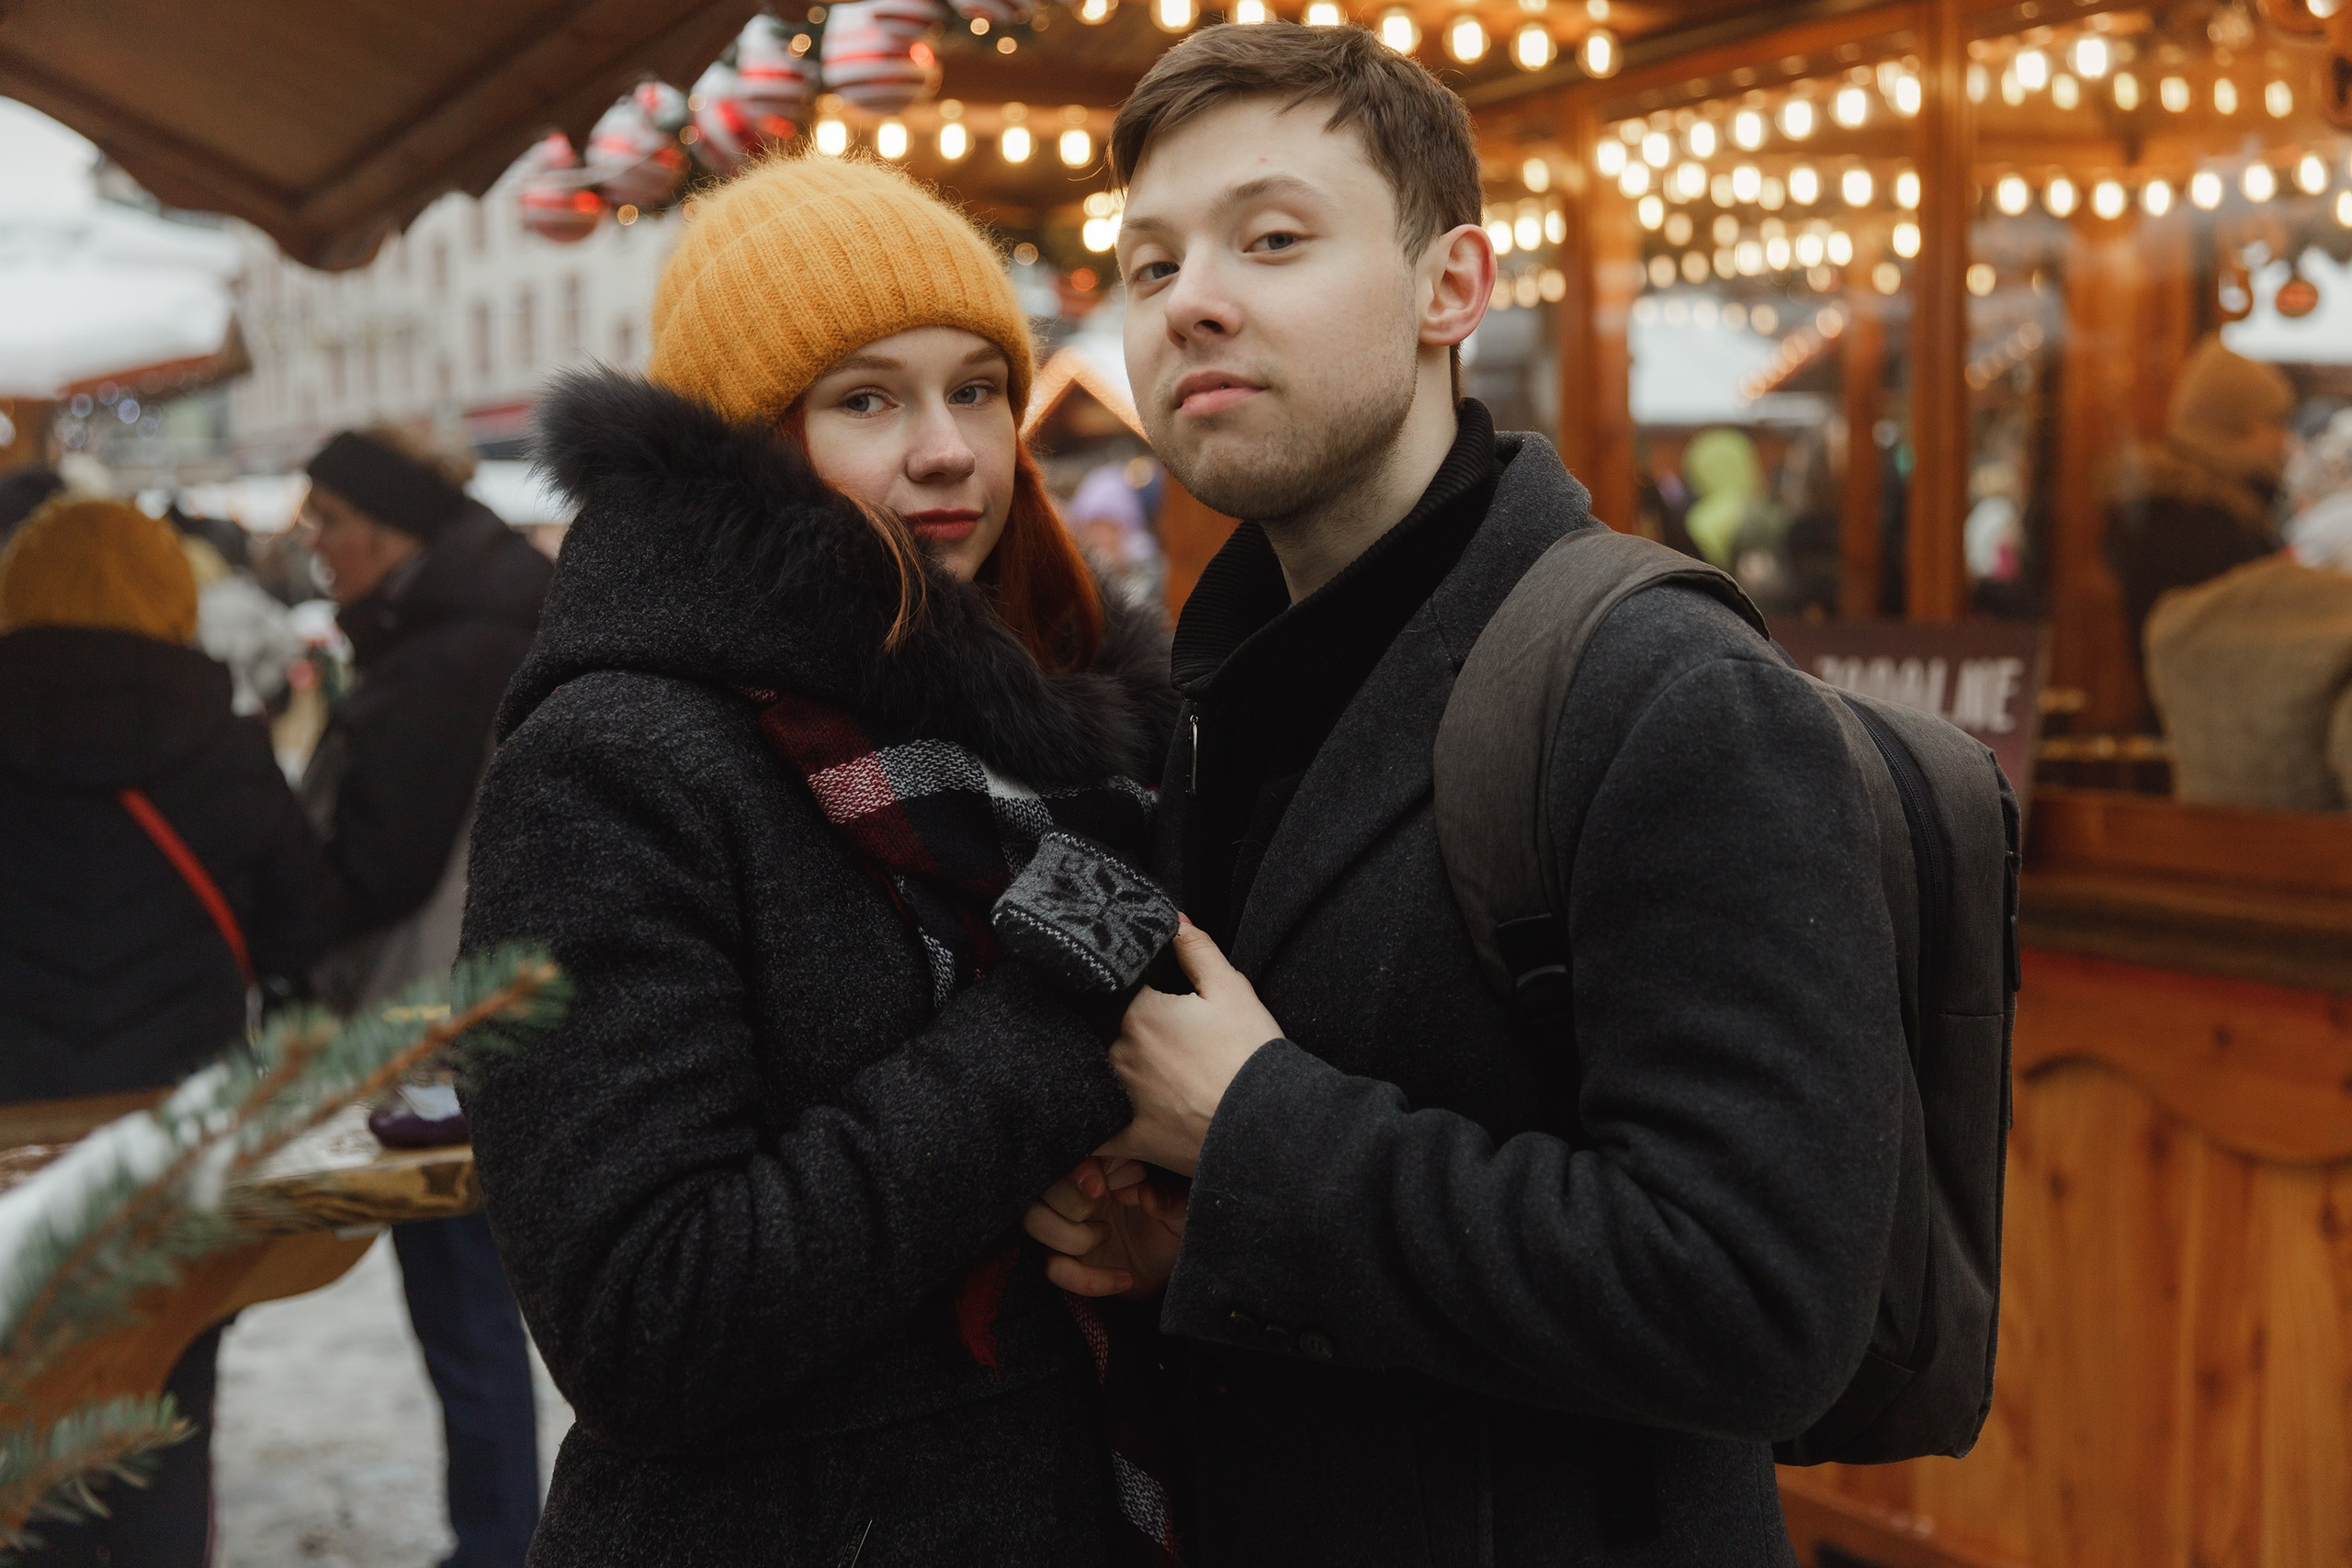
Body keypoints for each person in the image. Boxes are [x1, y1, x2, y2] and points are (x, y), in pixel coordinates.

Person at [1026, 25, 1905, 1565]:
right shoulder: (1221, 696)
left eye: (1274, 238)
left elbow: (1760, 1305)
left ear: (1455, 290)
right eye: (1148, 264)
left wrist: (1257, 1132)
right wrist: (1199, 1241)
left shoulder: (1666, 695)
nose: (1191, 301)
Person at [456, 156, 1182, 1568]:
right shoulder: (614, 760)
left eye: (978, 385)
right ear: (742, 447)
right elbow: (643, 1318)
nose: (948, 448)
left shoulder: (1072, 736)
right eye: (866, 398)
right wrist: (1049, 1020)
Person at [0, 496, 331, 1567]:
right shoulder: (222, 745)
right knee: (167, 1396)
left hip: (10, 1162)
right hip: (176, 1149)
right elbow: (298, 928)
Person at [295, 424, 554, 1568]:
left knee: (465, 1311)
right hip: (500, 1010)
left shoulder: (442, 654)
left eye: (324, 527)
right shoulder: (475, 624)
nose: (313, 551)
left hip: (440, 1027)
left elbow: (375, 866)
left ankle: (497, 1542)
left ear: (382, 530)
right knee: (483, 1304)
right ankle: (500, 1532)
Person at [2106, 335, 2295, 670]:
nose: (2285, 443)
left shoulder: (2168, 504)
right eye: (2274, 424)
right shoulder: (2200, 521)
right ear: (2237, 429)